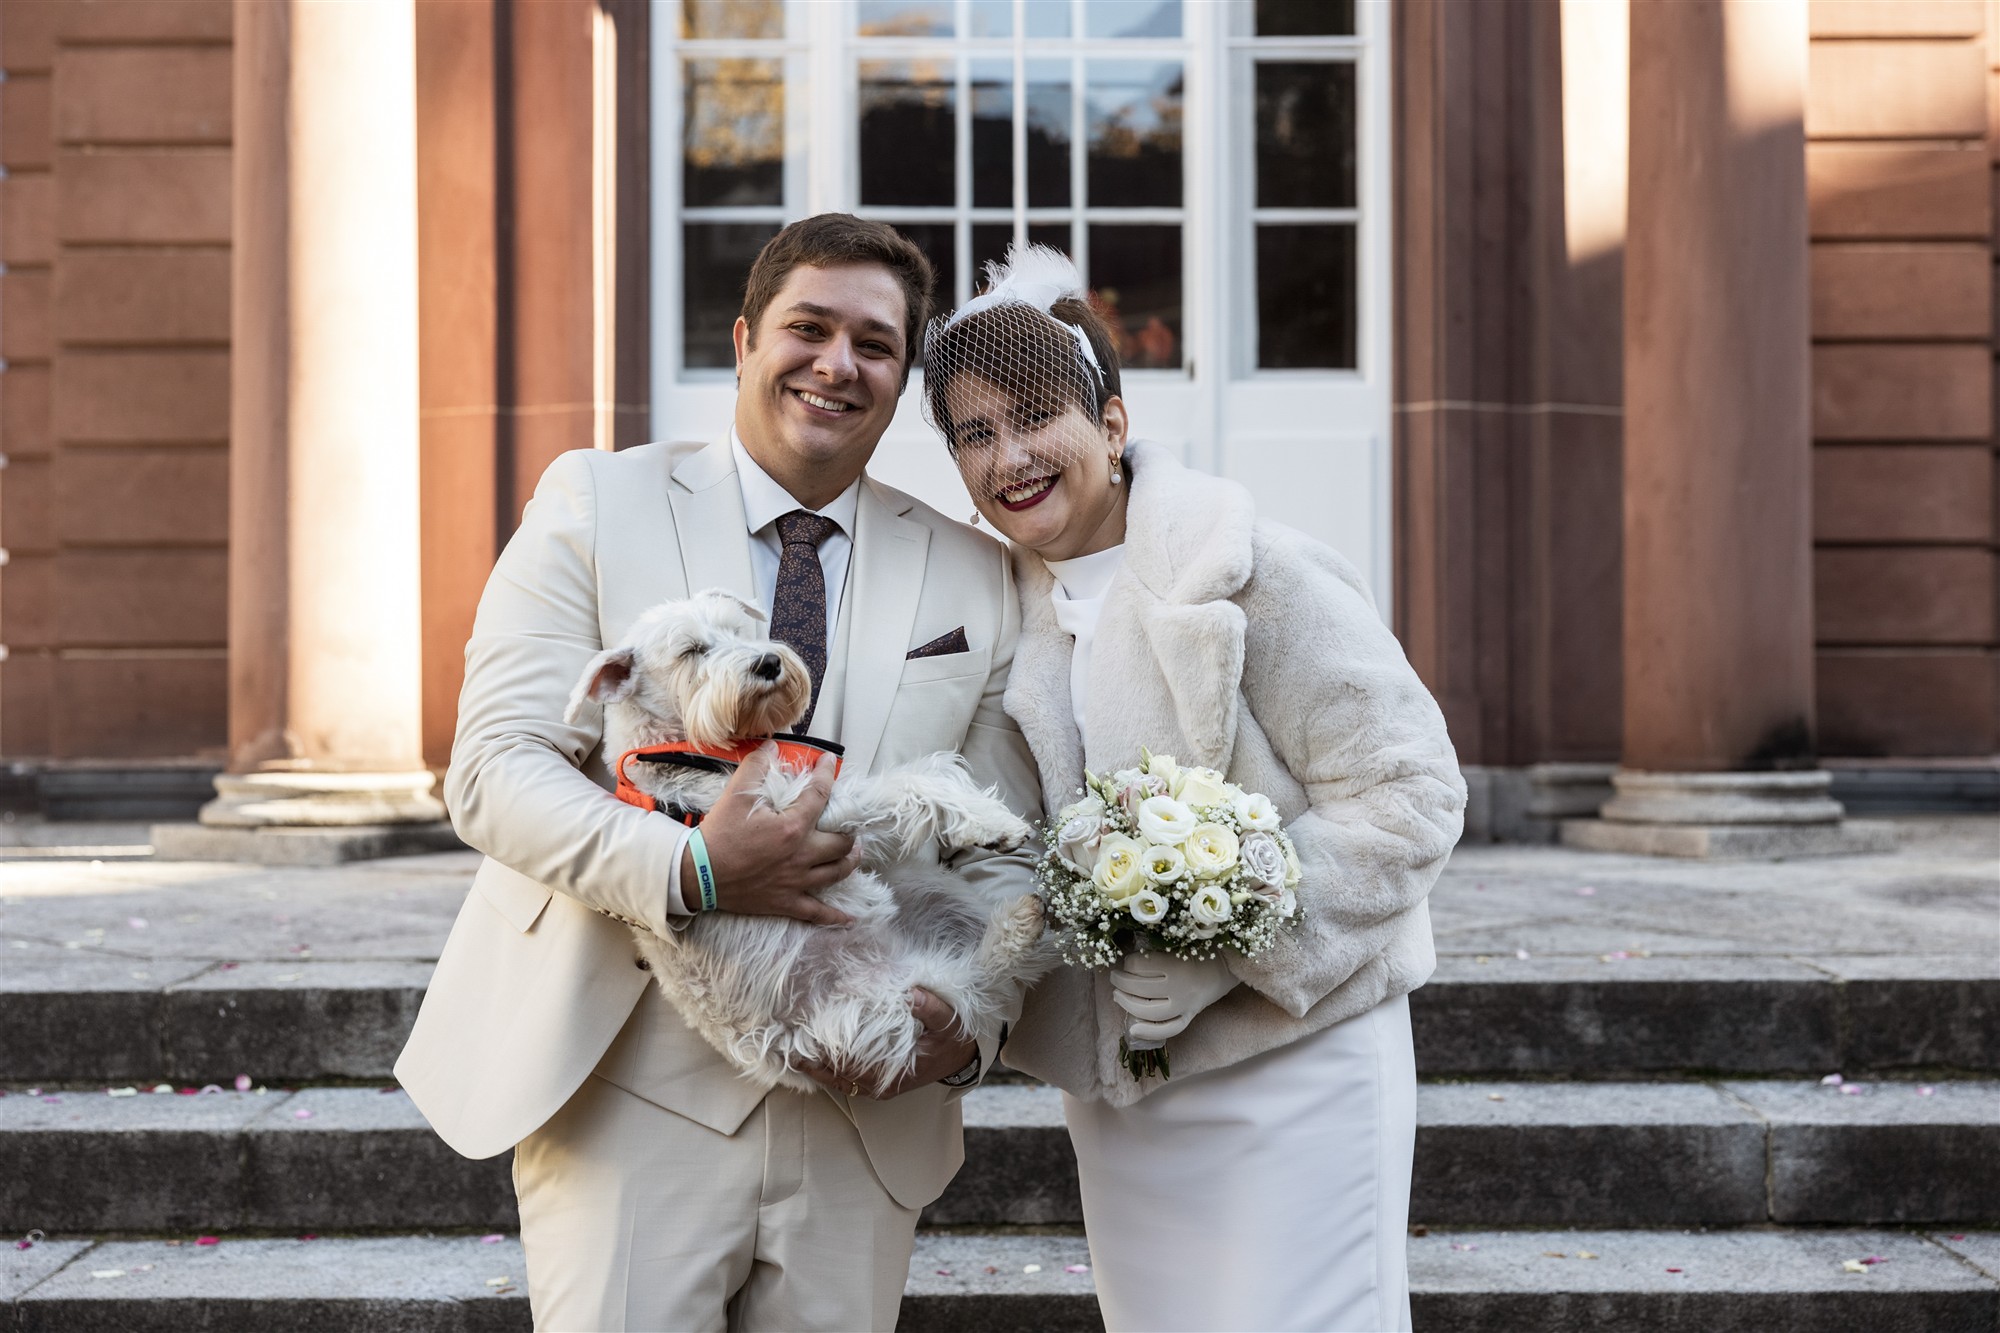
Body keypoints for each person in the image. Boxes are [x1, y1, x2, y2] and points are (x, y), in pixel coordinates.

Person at [396, 214, 1042, 1332]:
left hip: (868, 1101)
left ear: (902, 378)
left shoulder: (979, 571)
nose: (837, 364)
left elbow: (1001, 836)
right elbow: (495, 768)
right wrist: (695, 866)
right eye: (808, 327)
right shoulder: (595, 502)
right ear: (745, 337)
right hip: (623, 1085)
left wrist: (973, 1018)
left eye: (875, 345)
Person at [921, 246, 1465, 1333]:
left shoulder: (1253, 566)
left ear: (1112, 424)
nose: (1009, 456)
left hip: (1295, 1058)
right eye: (974, 433)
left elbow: (1408, 792)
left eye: (1034, 416)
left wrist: (1234, 954)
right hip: (1125, 1091)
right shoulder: (999, 614)